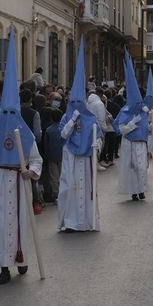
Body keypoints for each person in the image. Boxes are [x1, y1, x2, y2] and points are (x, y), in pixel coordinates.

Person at [0, 31, 42, 283]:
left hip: (19, 181)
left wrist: (31, 172)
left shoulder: (25, 136)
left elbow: (36, 159)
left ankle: (21, 257)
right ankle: (3, 267)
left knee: (20, 222)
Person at [57, 42, 100, 231]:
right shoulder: (66, 117)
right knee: (69, 189)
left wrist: (97, 144)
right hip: (71, 156)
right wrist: (72, 119)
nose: (75, 104)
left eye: (78, 102)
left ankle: (85, 221)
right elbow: (63, 134)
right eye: (72, 102)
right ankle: (69, 221)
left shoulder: (91, 119)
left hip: (86, 159)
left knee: (85, 189)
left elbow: (98, 136)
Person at [114, 54, 151, 200]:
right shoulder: (124, 111)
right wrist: (132, 123)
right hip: (129, 143)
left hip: (141, 144)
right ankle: (134, 192)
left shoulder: (144, 111)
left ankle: (142, 189)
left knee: (142, 168)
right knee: (132, 169)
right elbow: (121, 129)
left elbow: (147, 129)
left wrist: (151, 125)